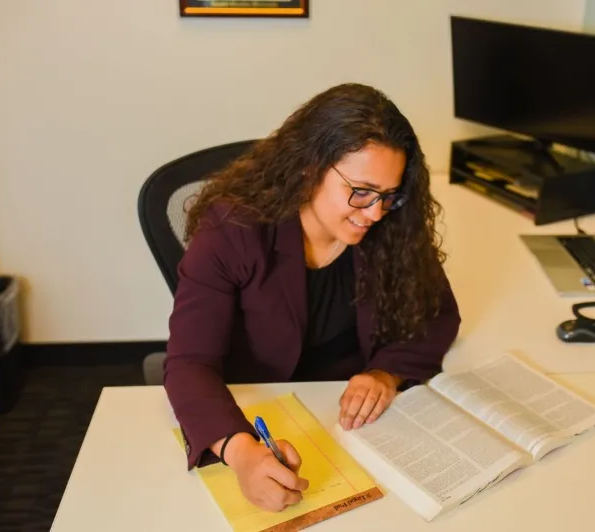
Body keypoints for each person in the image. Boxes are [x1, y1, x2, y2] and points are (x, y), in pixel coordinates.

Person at [163, 82, 461, 512]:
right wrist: (241, 452)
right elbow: (189, 363)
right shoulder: (233, 229)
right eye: (360, 190)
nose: (375, 212)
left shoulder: (390, 225)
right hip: (257, 405)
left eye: (388, 195)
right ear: (309, 168)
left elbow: (438, 315)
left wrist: (386, 373)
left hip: (353, 422)